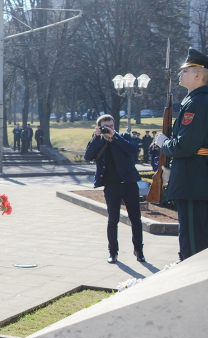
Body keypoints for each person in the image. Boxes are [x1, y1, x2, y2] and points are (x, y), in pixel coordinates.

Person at [155, 47, 208, 260]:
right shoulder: (197, 100)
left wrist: (165, 144)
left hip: (192, 182)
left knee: (193, 246)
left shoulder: (197, 102)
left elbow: (186, 145)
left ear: (198, 75)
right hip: (196, 179)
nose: (180, 74)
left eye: (185, 71)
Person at [84, 114, 144, 264]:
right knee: (113, 220)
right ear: (99, 127)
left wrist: (115, 136)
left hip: (129, 184)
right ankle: (113, 252)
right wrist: (97, 136)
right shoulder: (98, 142)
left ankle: (139, 250)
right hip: (111, 186)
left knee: (136, 219)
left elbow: (132, 150)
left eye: (111, 126)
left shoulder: (123, 137)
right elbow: (88, 156)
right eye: (106, 127)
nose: (109, 129)